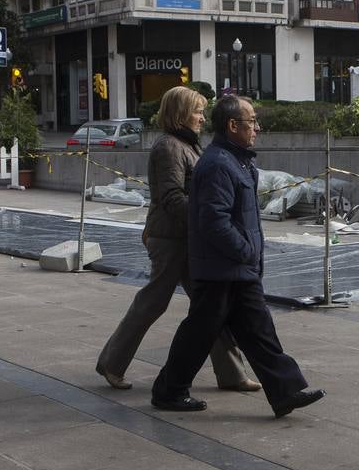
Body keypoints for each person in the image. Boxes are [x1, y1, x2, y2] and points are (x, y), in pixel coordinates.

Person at [151, 95, 324, 418]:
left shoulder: (237, 160)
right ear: (233, 126)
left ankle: (285, 391)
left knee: (258, 330)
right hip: (223, 268)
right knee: (200, 332)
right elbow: (213, 220)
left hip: (234, 268)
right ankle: (168, 390)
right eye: (251, 121)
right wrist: (245, 250)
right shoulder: (219, 164)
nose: (257, 127)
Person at [95, 87, 259, 392]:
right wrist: (207, 218)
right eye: (196, 111)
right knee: (154, 303)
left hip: (187, 239)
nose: (202, 117)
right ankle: (112, 363)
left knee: (212, 307)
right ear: (180, 114)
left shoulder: (188, 145)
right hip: (171, 240)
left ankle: (232, 374)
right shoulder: (169, 148)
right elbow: (171, 198)